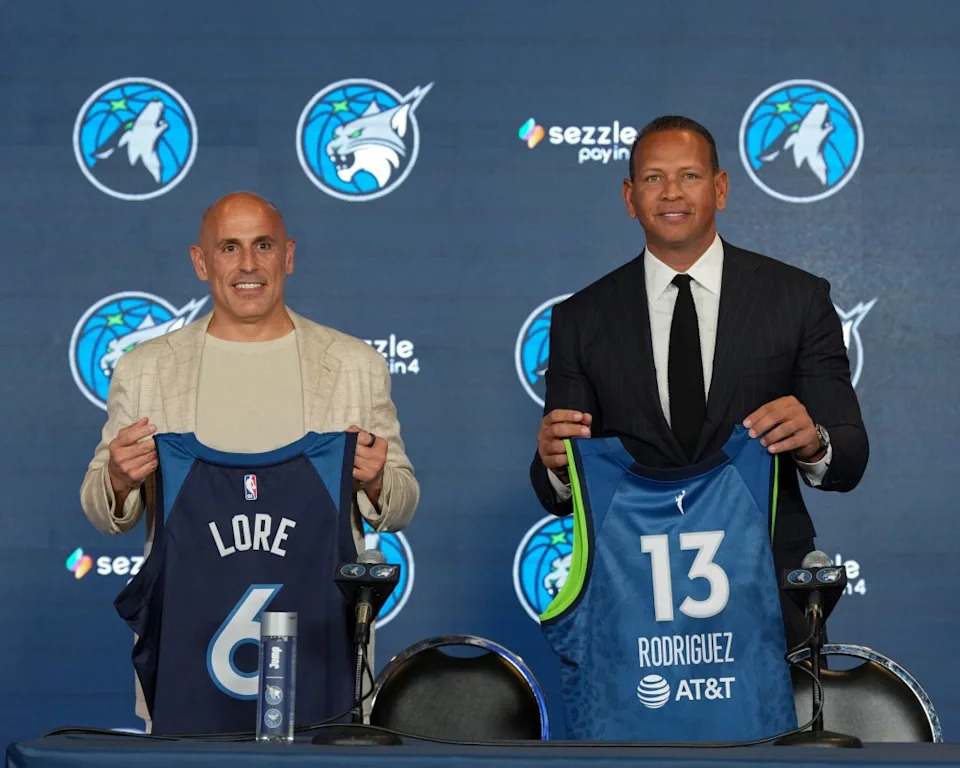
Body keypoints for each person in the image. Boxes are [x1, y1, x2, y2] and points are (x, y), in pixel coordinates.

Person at [80, 190, 419, 730]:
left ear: (288, 255)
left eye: (263, 245)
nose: (247, 265)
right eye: (229, 247)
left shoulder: (355, 365)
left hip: (323, 658)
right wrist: (119, 480)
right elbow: (102, 509)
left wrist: (378, 483)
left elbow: (399, 505)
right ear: (201, 262)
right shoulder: (146, 370)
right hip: (188, 659)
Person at [530, 115, 868, 648]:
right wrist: (556, 465)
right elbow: (559, 487)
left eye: (689, 175)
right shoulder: (582, 318)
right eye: (652, 178)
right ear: (629, 197)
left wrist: (814, 442)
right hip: (633, 597)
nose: (671, 193)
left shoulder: (797, 299)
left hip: (769, 596)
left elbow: (848, 459)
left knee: (777, 733)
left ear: (721, 187)